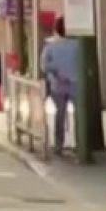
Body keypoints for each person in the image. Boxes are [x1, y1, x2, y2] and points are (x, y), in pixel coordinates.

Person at [40, 17, 78, 154]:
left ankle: (58, 145)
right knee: (78, 115)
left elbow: (44, 65)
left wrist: (56, 71)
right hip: (76, 83)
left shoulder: (50, 45)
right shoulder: (78, 45)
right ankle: (79, 144)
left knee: (59, 115)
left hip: (58, 83)